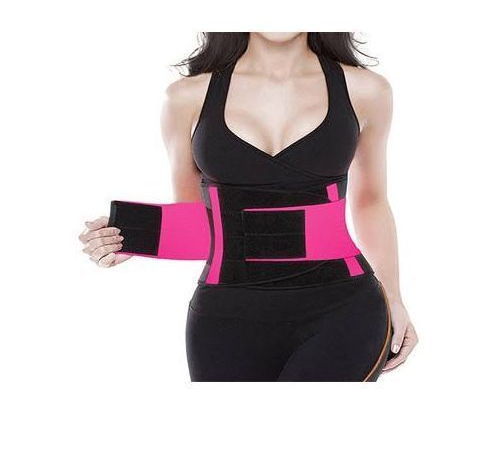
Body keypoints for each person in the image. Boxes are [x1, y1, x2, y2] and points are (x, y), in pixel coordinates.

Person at [79, 32, 418, 381]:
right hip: (226, 320)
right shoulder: (186, 98)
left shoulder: (367, 91)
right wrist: (128, 236)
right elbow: (198, 227)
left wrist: (394, 296)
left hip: (345, 311)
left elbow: (371, 200)